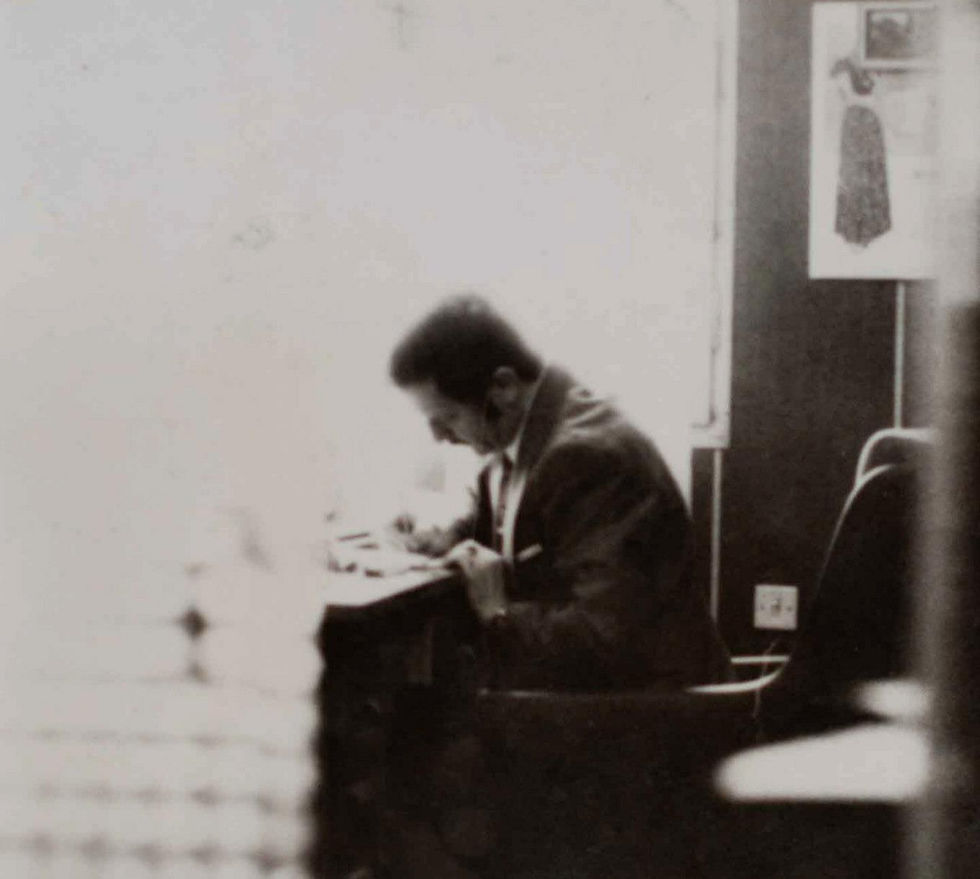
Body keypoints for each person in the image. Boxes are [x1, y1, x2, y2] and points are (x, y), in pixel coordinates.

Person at [389, 294, 731, 691]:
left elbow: (606, 638)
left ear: (503, 387)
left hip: (648, 713)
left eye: (447, 416)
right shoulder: (527, 438)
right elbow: (528, 529)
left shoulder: (585, 457)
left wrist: (497, 611)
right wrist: (446, 536)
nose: (439, 437)